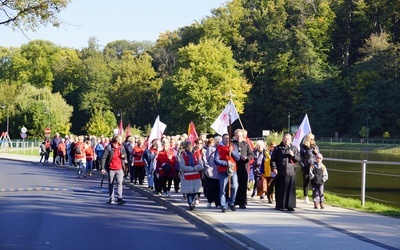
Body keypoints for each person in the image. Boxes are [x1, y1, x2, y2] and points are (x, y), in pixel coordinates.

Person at [271, 133, 301, 211]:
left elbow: (298, 159)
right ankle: (280, 205)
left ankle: (290, 205)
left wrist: (293, 155)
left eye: (288, 139)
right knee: (280, 189)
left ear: (291, 140)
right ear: (282, 139)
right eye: (285, 139)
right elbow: (273, 160)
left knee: (290, 190)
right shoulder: (277, 149)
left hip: (291, 172)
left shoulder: (294, 148)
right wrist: (274, 168)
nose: (286, 140)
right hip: (280, 172)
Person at [214, 133, 241, 212]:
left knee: (235, 186)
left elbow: (238, 158)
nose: (226, 140)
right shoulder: (219, 148)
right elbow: (216, 160)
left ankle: (231, 202)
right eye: (225, 138)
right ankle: (223, 205)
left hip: (233, 169)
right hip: (223, 170)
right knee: (223, 188)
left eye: (228, 138)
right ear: (222, 139)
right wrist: (226, 163)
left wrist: (232, 151)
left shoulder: (232, 146)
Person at [100, 135, 128, 205]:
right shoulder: (109, 147)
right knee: (111, 183)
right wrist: (102, 168)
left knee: (119, 183)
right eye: (120, 140)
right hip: (111, 168)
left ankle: (119, 198)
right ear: (117, 140)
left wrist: (124, 157)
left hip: (119, 168)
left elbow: (125, 155)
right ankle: (111, 198)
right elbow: (104, 158)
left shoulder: (121, 147)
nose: (121, 141)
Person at [179, 141, 204, 210]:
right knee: (189, 192)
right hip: (187, 175)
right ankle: (190, 203)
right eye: (188, 147)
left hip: (196, 174)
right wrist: (190, 168)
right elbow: (182, 165)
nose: (189, 148)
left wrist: (195, 168)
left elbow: (201, 164)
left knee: (195, 191)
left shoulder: (197, 154)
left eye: (190, 146)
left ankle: (193, 201)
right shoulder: (183, 155)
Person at [233, 129, 254, 209]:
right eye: (237, 135)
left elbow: (251, 154)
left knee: (243, 185)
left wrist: (247, 158)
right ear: (235, 136)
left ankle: (242, 202)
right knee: (234, 185)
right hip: (235, 167)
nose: (239, 137)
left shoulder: (246, 144)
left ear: (243, 136)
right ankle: (234, 201)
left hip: (244, 167)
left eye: (240, 135)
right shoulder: (232, 144)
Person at [300, 133, 320, 203]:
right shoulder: (303, 147)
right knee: (306, 181)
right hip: (306, 166)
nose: (313, 140)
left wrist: (316, 153)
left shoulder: (315, 146)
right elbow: (300, 158)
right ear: (308, 139)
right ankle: (306, 196)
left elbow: (319, 156)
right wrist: (303, 166)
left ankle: (315, 196)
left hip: (314, 166)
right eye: (312, 139)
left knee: (315, 181)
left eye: (313, 139)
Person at [204, 137, 221, 208]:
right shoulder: (210, 148)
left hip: (219, 172)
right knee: (210, 188)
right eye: (218, 141)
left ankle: (218, 203)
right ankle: (209, 201)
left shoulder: (222, 149)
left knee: (218, 188)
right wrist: (208, 168)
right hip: (211, 171)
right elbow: (205, 159)